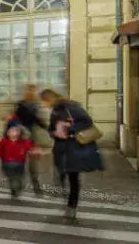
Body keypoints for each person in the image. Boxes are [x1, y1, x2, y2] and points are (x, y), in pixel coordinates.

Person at [43, 89, 103, 220]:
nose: (44, 105)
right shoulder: (55, 110)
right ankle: (65, 196)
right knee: (61, 173)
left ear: (51, 98)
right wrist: (53, 133)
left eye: (45, 101)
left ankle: (72, 206)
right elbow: (51, 128)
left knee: (73, 178)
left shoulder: (72, 107)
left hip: (74, 148)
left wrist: (69, 129)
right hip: (60, 149)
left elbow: (87, 121)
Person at [15, 85, 51, 195]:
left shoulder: (25, 104)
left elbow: (18, 119)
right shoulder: (31, 104)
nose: (31, 92)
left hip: (29, 136)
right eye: (30, 90)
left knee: (30, 163)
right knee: (25, 162)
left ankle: (31, 187)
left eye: (32, 90)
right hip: (25, 136)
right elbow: (37, 120)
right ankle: (31, 187)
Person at [0, 122, 35, 197]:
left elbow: (30, 146)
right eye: (10, 131)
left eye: (14, 131)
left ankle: (19, 185)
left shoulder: (23, 141)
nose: (12, 132)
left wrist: (34, 151)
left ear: (18, 133)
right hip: (7, 163)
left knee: (19, 176)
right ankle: (13, 188)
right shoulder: (4, 141)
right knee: (10, 177)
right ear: (7, 133)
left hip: (19, 163)